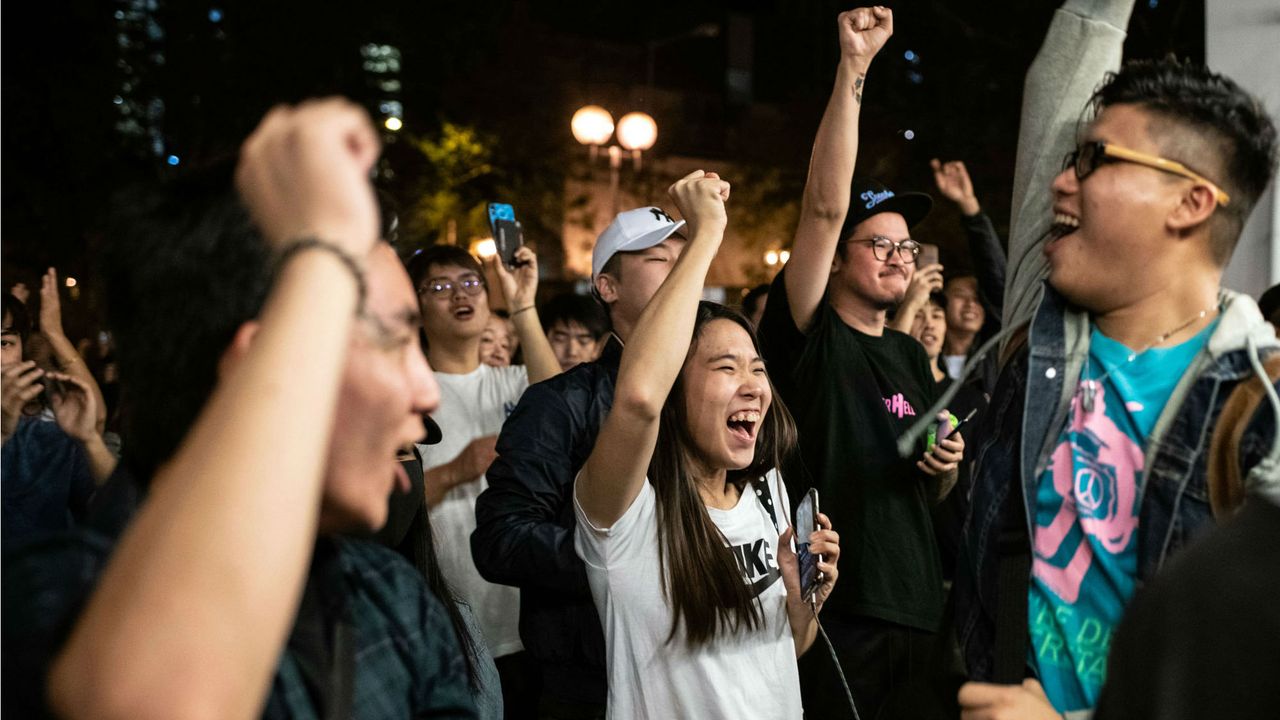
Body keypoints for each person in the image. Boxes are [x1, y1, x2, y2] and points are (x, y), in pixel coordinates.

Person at [1, 99, 476, 719]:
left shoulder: (391, 598)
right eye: (390, 339)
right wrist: (322, 251)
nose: (426, 391)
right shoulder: (49, 604)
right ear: (265, 363)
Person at [950, 0, 1280, 717]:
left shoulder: (1262, 407)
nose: (1061, 181)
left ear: (1192, 202)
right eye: (1070, 158)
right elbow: (1068, 62)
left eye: (1094, 161)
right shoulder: (1042, 339)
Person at [755, 7, 966, 718]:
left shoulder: (911, 353)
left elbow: (932, 489)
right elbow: (821, 208)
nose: (896, 257)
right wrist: (855, 67)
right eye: (876, 243)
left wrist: (946, 467)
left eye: (905, 247)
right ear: (838, 259)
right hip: (842, 602)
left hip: (920, 605)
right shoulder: (810, 332)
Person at [575, 169, 841, 719]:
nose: (753, 387)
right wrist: (705, 235)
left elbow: (787, 651)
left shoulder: (769, 492)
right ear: (675, 388)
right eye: (725, 367)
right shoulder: (622, 512)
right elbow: (639, 398)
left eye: (758, 369)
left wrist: (801, 604)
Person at [471, 205, 689, 719]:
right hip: (592, 684)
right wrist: (624, 559)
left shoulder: (710, 392)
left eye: (688, 256)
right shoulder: (561, 402)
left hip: (693, 670)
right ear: (607, 287)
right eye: (661, 258)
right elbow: (501, 539)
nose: (682, 269)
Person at [410, 242, 560, 715]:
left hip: (528, 619)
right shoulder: (408, 392)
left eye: (470, 282)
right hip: (452, 624)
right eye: (440, 286)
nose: (461, 294)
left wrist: (522, 304)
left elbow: (558, 403)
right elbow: (389, 508)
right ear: (414, 306)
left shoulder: (512, 382)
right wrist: (456, 471)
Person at [3, 287, 116, 549]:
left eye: (4, 343)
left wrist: (90, 440)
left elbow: (120, 512)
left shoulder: (49, 438)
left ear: (21, 351)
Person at [540, 293, 608, 371]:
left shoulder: (612, 380)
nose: (572, 352)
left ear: (598, 347)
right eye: (560, 339)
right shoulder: (523, 377)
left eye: (583, 341)